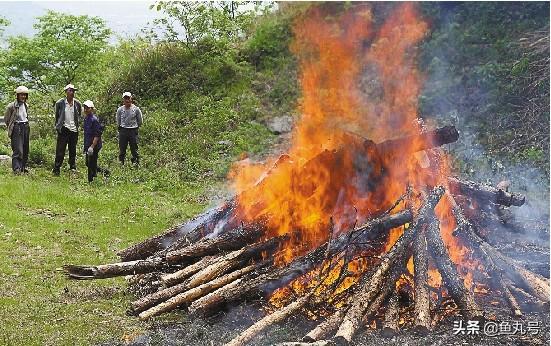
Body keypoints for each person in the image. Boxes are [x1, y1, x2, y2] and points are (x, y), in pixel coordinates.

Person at [53, 84, 82, 175]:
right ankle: (57, 168)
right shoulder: (60, 103)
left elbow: (79, 116)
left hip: (74, 130)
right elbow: (57, 116)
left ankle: (72, 167)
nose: (72, 92)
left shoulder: (77, 103)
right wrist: (58, 127)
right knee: (60, 150)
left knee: (72, 150)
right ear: (66, 92)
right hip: (64, 129)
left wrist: (77, 126)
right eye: (70, 90)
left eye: (73, 91)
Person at [3, 86, 30, 174]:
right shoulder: (11, 106)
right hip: (17, 127)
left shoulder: (26, 105)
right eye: (21, 95)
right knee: (18, 149)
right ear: (17, 95)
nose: (23, 97)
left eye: (25, 95)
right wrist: (12, 128)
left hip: (25, 126)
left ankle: (22, 167)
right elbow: (7, 119)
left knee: (25, 148)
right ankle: (16, 169)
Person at [116, 92, 143, 165]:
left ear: (131, 99)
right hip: (123, 131)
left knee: (134, 148)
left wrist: (134, 128)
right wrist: (121, 129)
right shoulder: (120, 110)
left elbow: (140, 121)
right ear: (123, 100)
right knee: (122, 149)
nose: (127, 100)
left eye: (128, 98)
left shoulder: (136, 109)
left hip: (133, 131)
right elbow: (118, 121)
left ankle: (136, 163)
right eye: (125, 98)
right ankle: (121, 163)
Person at [82, 100, 103, 182]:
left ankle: (90, 180)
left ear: (92, 109)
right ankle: (101, 172)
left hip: (94, 145)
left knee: (91, 163)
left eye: (88, 108)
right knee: (88, 163)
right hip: (88, 144)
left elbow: (97, 134)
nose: (86, 109)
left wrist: (92, 146)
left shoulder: (94, 120)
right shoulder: (86, 119)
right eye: (85, 108)